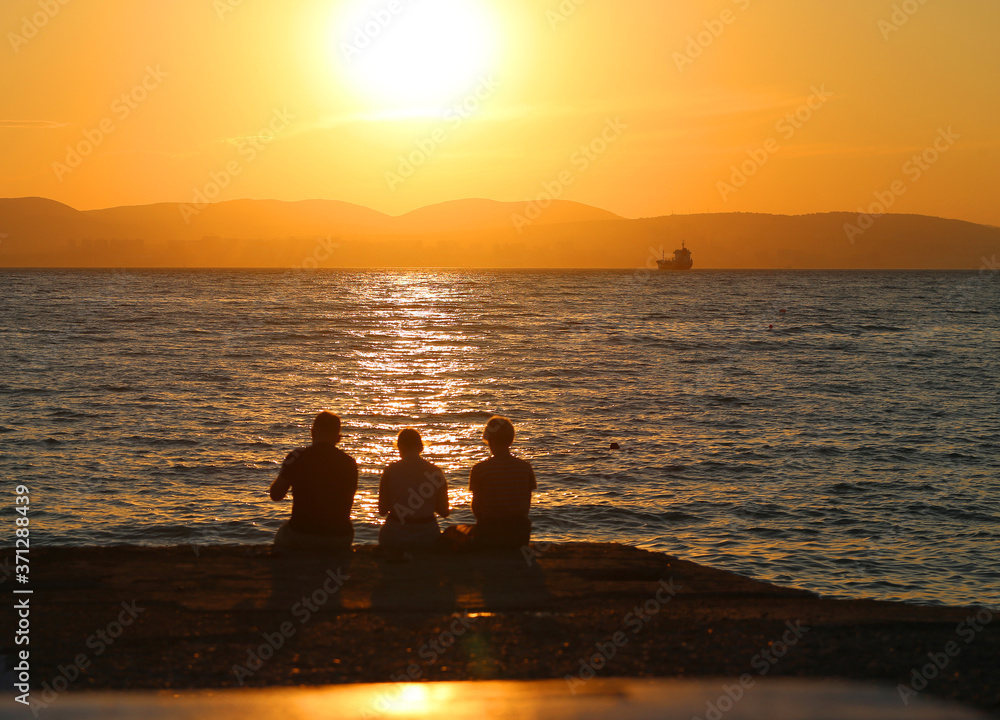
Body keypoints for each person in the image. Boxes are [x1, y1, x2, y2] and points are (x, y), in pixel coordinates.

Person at [269, 411, 358, 551]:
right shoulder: (350, 462)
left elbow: (276, 495)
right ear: (338, 437)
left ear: (312, 433)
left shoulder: (296, 457)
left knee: (282, 534)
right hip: (340, 538)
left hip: (302, 534)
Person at [468, 415, 536, 548]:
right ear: (511, 440)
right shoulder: (525, 467)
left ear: (489, 439)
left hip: (490, 533)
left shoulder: (479, 469)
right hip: (519, 534)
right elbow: (526, 505)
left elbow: (476, 506)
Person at [378, 429, 449, 552]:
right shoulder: (436, 472)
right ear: (421, 447)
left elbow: (382, 510)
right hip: (427, 535)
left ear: (400, 447)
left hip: (395, 535)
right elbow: (444, 511)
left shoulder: (390, 471)